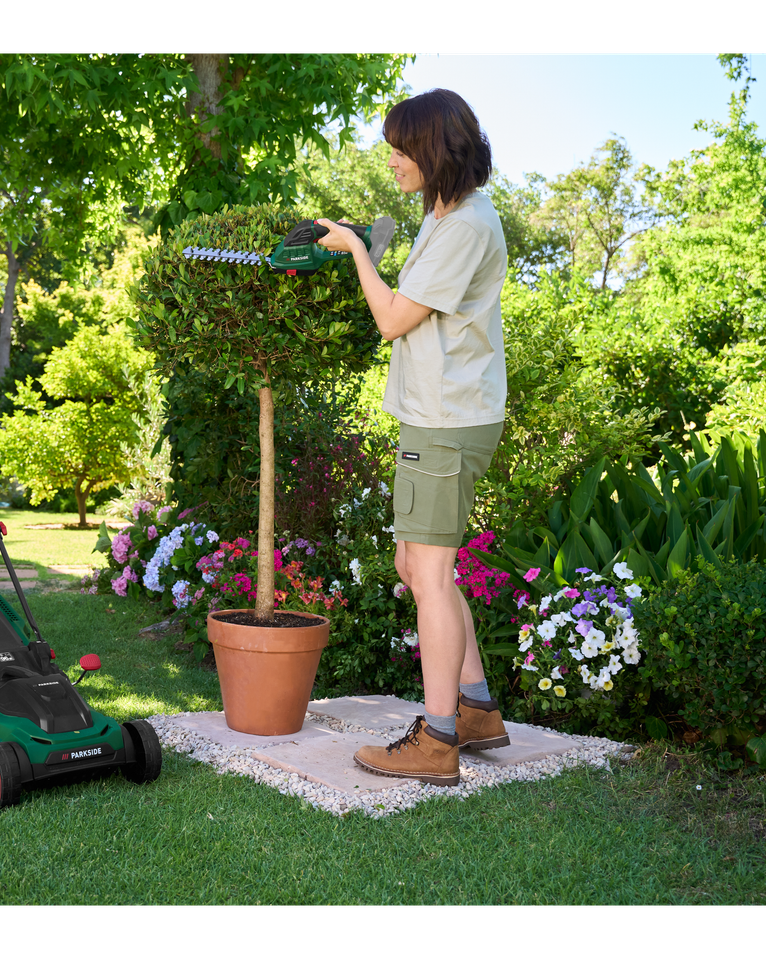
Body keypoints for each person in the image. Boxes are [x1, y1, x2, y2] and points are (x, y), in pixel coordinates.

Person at [316, 89, 508, 786]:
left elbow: (395, 318)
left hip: (447, 420)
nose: (392, 159)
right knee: (413, 565)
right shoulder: (446, 212)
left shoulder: (464, 227)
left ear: (436, 150)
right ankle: (477, 706)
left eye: (402, 147)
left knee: (428, 575)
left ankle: (438, 739)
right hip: (441, 413)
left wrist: (356, 254)